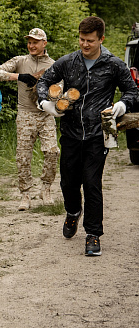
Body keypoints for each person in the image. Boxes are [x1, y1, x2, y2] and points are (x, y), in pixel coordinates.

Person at [37, 16, 137, 256]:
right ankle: (72, 212)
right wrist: (45, 104)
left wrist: (122, 106)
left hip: (98, 135)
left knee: (92, 184)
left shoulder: (113, 64)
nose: (85, 44)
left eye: (90, 41)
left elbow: (132, 91)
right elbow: (44, 82)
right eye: (81, 39)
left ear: (101, 39)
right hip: (70, 133)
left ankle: (93, 235)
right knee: (68, 182)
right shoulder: (68, 62)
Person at [0, 28, 58, 210]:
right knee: (23, 156)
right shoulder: (20, 61)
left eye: (35, 42)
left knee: (52, 152)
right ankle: (25, 194)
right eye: (29, 42)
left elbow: (61, 87)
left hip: (45, 115)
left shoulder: (54, 64)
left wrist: (52, 95)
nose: (31, 45)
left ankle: (46, 189)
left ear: (44, 43)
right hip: (25, 114)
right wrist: (19, 76)